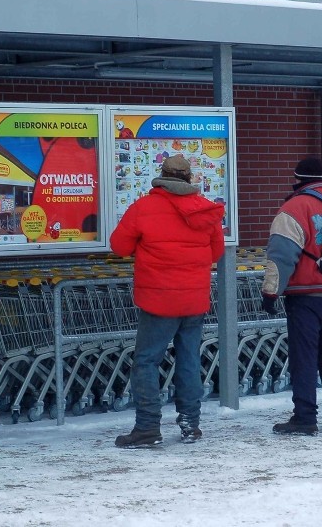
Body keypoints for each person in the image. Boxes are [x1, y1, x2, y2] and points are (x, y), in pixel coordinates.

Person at [110, 154, 225, 448]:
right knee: (188, 358)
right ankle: (190, 422)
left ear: (162, 175)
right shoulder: (205, 210)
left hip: (158, 299)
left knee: (147, 361)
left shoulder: (145, 207)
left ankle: (148, 427)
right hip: (194, 299)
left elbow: (120, 246)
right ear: (188, 178)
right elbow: (215, 253)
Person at [261, 156, 322, 435]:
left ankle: (304, 417)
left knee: (305, 357)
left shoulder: (293, 208)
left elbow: (281, 256)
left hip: (305, 295)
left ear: (297, 178)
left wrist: (270, 292)